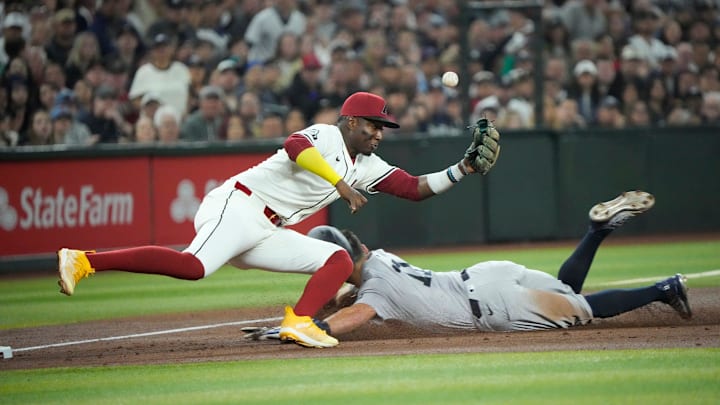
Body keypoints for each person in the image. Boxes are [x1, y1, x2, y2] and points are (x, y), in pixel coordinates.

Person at [56, 91, 500, 348]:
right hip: (239, 203)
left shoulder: (366, 164)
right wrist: (340, 185)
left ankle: (298, 321)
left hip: (267, 227)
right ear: (349, 122)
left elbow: (413, 188)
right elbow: (293, 146)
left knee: (338, 261)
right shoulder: (327, 135)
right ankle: (84, 260)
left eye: (382, 127)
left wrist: (461, 170)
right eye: (372, 125)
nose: (379, 133)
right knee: (193, 267)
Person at [246, 191, 692, 342]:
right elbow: (343, 297)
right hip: (488, 274)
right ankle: (596, 232)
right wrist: (304, 317)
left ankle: (663, 289)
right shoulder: (379, 259)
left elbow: (347, 316)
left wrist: (299, 330)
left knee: (583, 310)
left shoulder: (374, 294)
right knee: (562, 287)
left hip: (494, 306)